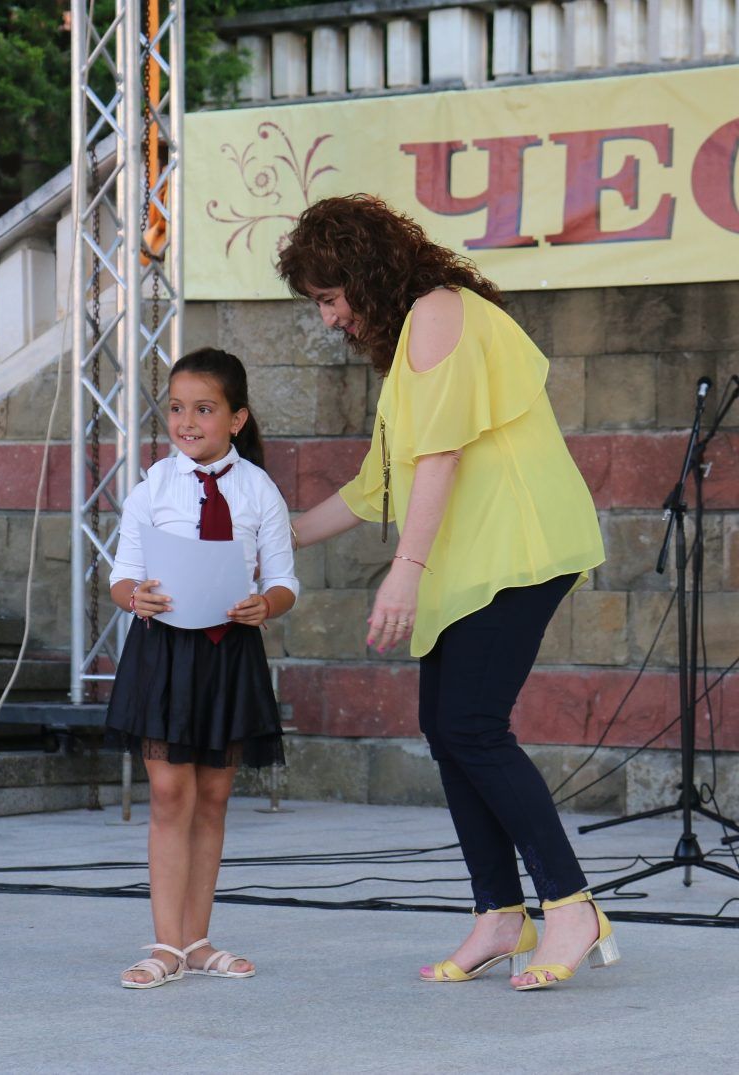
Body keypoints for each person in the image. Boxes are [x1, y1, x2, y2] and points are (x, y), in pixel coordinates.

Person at [278, 195, 619, 991]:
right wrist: (274, 535)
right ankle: (500, 914)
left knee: (471, 723)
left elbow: (441, 459)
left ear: (365, 273)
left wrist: (406, 569)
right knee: (449, 724)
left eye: (330, 297)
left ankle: (571, 905)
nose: (329, 318)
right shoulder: (413, 341)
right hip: (473, 557)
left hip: (517, 545)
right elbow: (376, 484)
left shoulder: (438, 312)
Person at [105, 347, 298, 989]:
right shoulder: (152, 486)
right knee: (170, 793)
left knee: (213, 797)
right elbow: (121, 576)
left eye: (205, 409)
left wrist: (266, 604)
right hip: (162, 651)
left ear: (236, 418)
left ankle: (196, 941)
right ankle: (164, 945)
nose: (187, 422)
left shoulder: (258, 489)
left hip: (229, 651)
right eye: (177, 408)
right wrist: (134, 596)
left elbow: (284, 580)